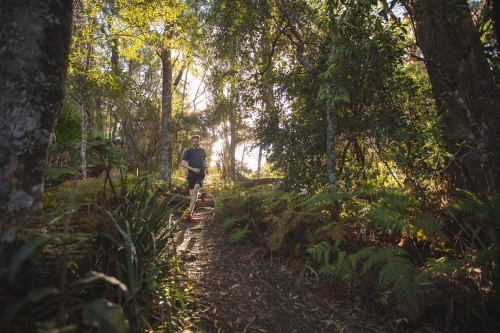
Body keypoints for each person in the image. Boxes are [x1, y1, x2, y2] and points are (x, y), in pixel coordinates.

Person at [181, 135, 208, 220]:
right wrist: (193, 169)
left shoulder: (202, 151)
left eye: (197, 141)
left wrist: (205, 168)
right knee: (193, 194)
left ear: (199, 141)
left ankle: (190, 212)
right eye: (194, 141)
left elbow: (204, 159)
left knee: (195, 190)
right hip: (191, 175)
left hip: (200, 174)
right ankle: (201, 195)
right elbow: (183, 163)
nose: (196, 143)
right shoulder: (188, 151)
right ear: (192, 142)